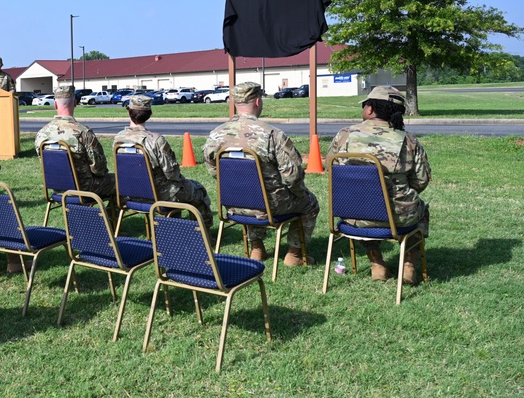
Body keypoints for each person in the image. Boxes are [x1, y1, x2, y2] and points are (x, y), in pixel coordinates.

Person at [202, 82, 319, 265]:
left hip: (234, 204)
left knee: (248, 192)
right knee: (310, 203)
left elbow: (213, 170)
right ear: (257, 102)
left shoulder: (216, 135)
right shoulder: (272, 134)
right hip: (270, 206)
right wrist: (298, 193)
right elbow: (293, 175)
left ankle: (257, 248)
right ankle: (294, 254)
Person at [326, 86, 431, 284]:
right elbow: (420, 181)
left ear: (370, 110)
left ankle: (377, 264)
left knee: (364, 203)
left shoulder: (344, 136)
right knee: (421, 209)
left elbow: (332, 170)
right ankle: (409, 265)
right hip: (398, 217)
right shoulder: (409, 140)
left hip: (353, 216)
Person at [114, 94, 213, 229]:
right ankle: (204, 236)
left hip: (130, 194)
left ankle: (173, 230)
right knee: (198, 190)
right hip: (159, 195)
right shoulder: (155, 140)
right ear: (149, 113)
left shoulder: (118, 139)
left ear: (128, 112)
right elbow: (172, 173)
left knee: (177, 189)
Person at [34, 84, 116, 203]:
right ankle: (109, 219)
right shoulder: (83, 132)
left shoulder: (41, 134)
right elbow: (98, 168)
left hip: (57, 187)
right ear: (75, 103)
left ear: (55, 105)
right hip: (84, 188)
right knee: (119, 182)